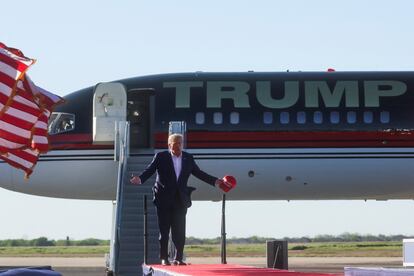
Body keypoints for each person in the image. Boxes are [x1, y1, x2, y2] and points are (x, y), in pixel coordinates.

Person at [130, 134, 224, 266]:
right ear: (169, 145)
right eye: (176, 143)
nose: (179, 145)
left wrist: (215, 181)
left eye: (180, 143)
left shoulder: (188, 158)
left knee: (179, 231)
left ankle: (178, 258)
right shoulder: (161, 157)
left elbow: (198, 173)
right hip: (163, 198)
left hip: (180, 199)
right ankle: (164, 258)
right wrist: (140, 179)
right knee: (164, 231)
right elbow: (150, 170)